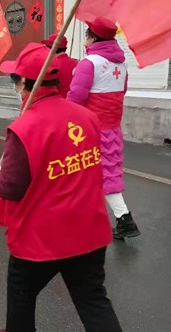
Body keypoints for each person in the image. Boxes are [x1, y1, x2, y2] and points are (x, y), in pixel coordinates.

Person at [0, 43, 121, 332]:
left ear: (24, 82)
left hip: (41, 239)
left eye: (15, 80)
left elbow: (11, 186)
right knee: (93, 301)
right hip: (88, 231)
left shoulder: (25, 128)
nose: (15, 85)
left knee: (22, 297)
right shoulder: (87, 117)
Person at [67, 17, 140, 239]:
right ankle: (93, 216)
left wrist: (63, 117)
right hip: (112, 127)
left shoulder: (90, 63)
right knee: (101, 172)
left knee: (93, 172)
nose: (84, 40)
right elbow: (122, 91)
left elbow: (76, 97)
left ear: (93, 37)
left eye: (86, 36)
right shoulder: (121, 63)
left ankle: (124, 219)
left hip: (89, 129)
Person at [41, 33, 79, 98]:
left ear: (51, 49)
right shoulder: (77, 63)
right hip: (75, 102)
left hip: (57, 102)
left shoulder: (51, 66)